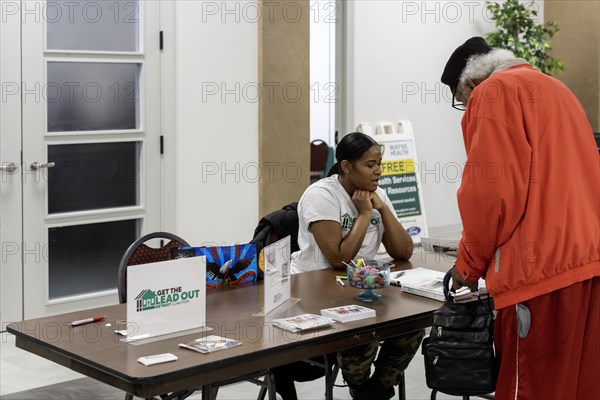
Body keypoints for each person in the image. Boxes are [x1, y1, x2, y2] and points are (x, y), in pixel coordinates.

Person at [441, 37, 600, 399]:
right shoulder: (558, 89)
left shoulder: (491, 94)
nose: (465, 108)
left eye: (460, 100)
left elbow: (492, 195)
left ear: (469, 84)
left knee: (530, 388)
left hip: (538, 275)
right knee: (579, 387)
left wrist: (468, 265)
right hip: (588, 264)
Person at [290, 132, 424, 400]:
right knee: (363, 335)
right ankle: (364, 389)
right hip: (315, 289)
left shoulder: (378, 194)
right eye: (370, 164)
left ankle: (372, 392)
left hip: (360, 288)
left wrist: (382, 210)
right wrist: (364, 214)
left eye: (380, 163)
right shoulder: (322, 195)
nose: (378, 171)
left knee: (412, 327)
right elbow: (339, 261)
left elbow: (403, 251)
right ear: (347, 166)